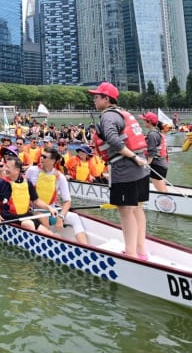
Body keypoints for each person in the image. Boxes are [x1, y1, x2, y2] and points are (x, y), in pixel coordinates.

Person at [89, 82, 150, 259]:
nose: (94, 100)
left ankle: (130, 254)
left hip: (125, 169)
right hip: (141, 169)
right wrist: (137, 158)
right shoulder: (124, 113)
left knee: (125, 212)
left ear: (106, 99)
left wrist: (132, 157)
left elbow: (113, 140)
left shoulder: (108, 116)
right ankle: (141, 251)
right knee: (138, 208)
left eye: (97, 97)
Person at [26, 146, 88, 244]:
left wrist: (61, 217)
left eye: (44, 157)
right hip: (34, 209)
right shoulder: (32, 171)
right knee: (44, 218)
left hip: (52, 211)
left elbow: (67, 202)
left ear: (53, 161)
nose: (41, 158)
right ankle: (50, 240)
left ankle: (85, 247)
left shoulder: (60, 177)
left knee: (75, 217)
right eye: (41, 156)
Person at [0, 156, 54, 233]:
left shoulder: (27, 182)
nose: (5, 169)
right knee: (28, 224)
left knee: (50, 234)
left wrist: (49, 208)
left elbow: (36, 201)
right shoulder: (0, 183)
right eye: (5, 166)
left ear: (17, 170)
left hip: (26, 216)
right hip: (9, 218)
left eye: (8, 167)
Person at [139, 112, 169, 193]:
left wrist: (147, 163)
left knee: (161, 190)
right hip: (162, 164)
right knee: (162, 186)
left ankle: (166, 203)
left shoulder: (152, 135)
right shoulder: (158, 132)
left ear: (149, 122)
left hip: (156, 165)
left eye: (144, 120)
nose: (143, 122)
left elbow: (152, 151)